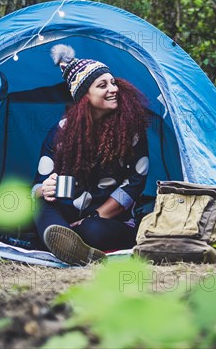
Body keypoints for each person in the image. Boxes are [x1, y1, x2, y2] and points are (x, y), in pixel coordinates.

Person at [32, 44, 149, 265]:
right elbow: (36, 185)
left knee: (91, 230)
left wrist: (94, 217)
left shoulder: (131, 131)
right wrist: (43, 189)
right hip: (66, 215)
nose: (113, 89)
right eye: (102, 85)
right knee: (41, 207)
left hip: (106, 219)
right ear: (85, 96)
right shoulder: (61, 131)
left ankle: (73, 243)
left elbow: (135, 183)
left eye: (113, 82)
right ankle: (63, 240)